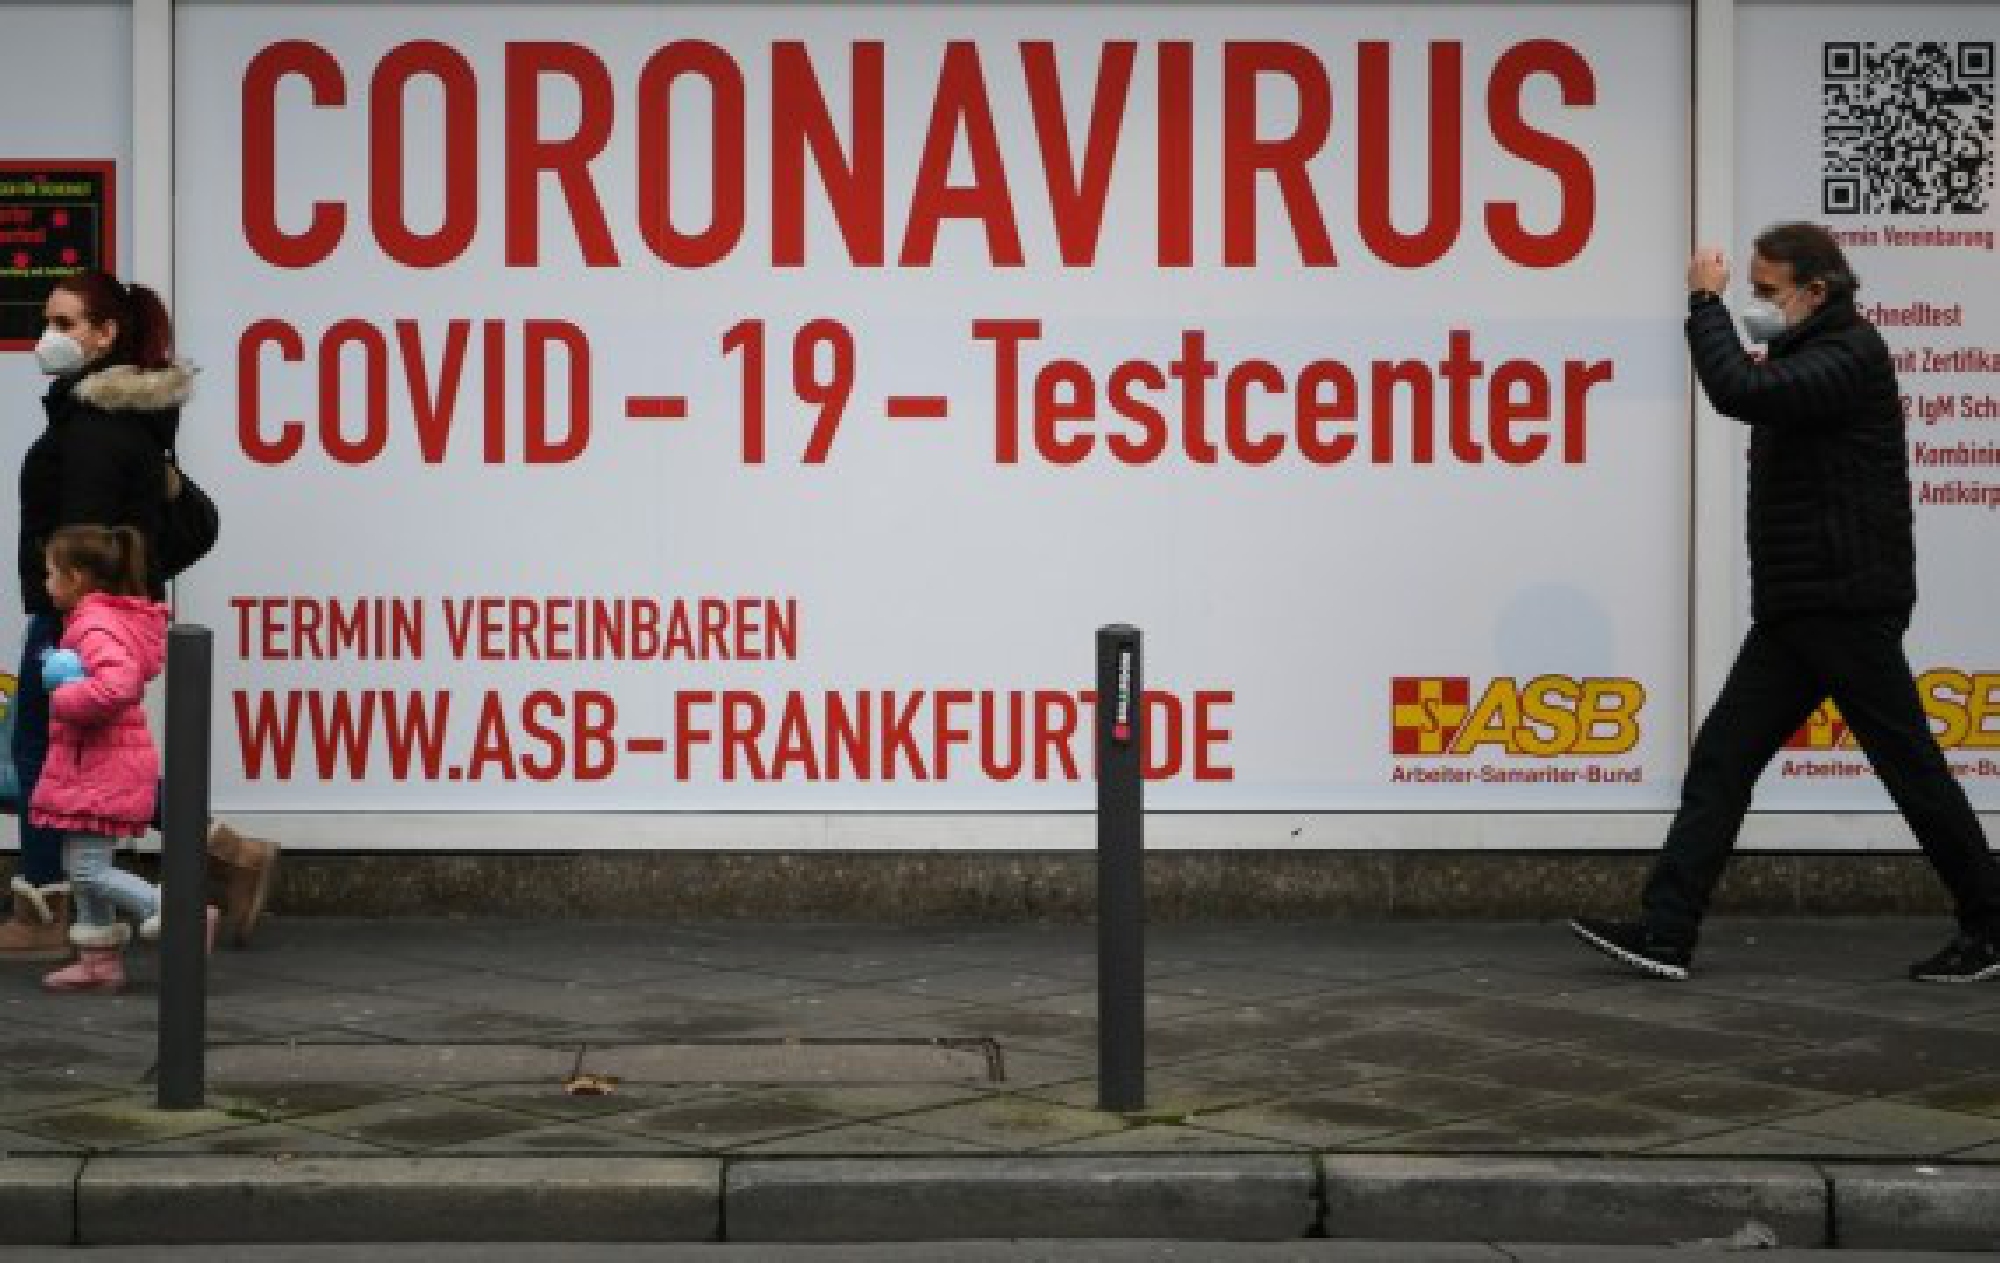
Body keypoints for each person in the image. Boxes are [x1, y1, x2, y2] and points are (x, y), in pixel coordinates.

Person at [1571, 222, 2000, 984]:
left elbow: (1737, 389)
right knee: (1725, 758)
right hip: (1802, 609)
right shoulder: (1813, 353)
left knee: (1911, 769)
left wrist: (1704, 304)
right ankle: (1666, 932)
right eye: (1750, 292)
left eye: (1766, 292)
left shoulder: (1850, 356)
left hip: (1843, 605)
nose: (1755, 305)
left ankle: (1992, 924)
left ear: (1816, 291)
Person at [0, 270, 275, 960]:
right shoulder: (118, 421)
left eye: (65, 324)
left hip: (76, 621)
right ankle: (229, 853)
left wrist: (71, 618)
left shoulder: (93, 428)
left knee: (44, 755)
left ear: (105, 335)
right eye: (49, 321)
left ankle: (43, 903)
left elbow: (84, 536)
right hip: (102, 614)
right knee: (89, 761)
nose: (49, 337)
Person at [34, 525, 216, 992]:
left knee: (88, 869)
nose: (45, 583)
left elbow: (118, 685)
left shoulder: (95, 625)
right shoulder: (97, 620)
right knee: (80, 863)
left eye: (50, 573)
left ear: (76, 577)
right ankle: (98, 960)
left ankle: (177, 912)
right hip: (91, 764)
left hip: (101, 765)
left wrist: (63, 699)